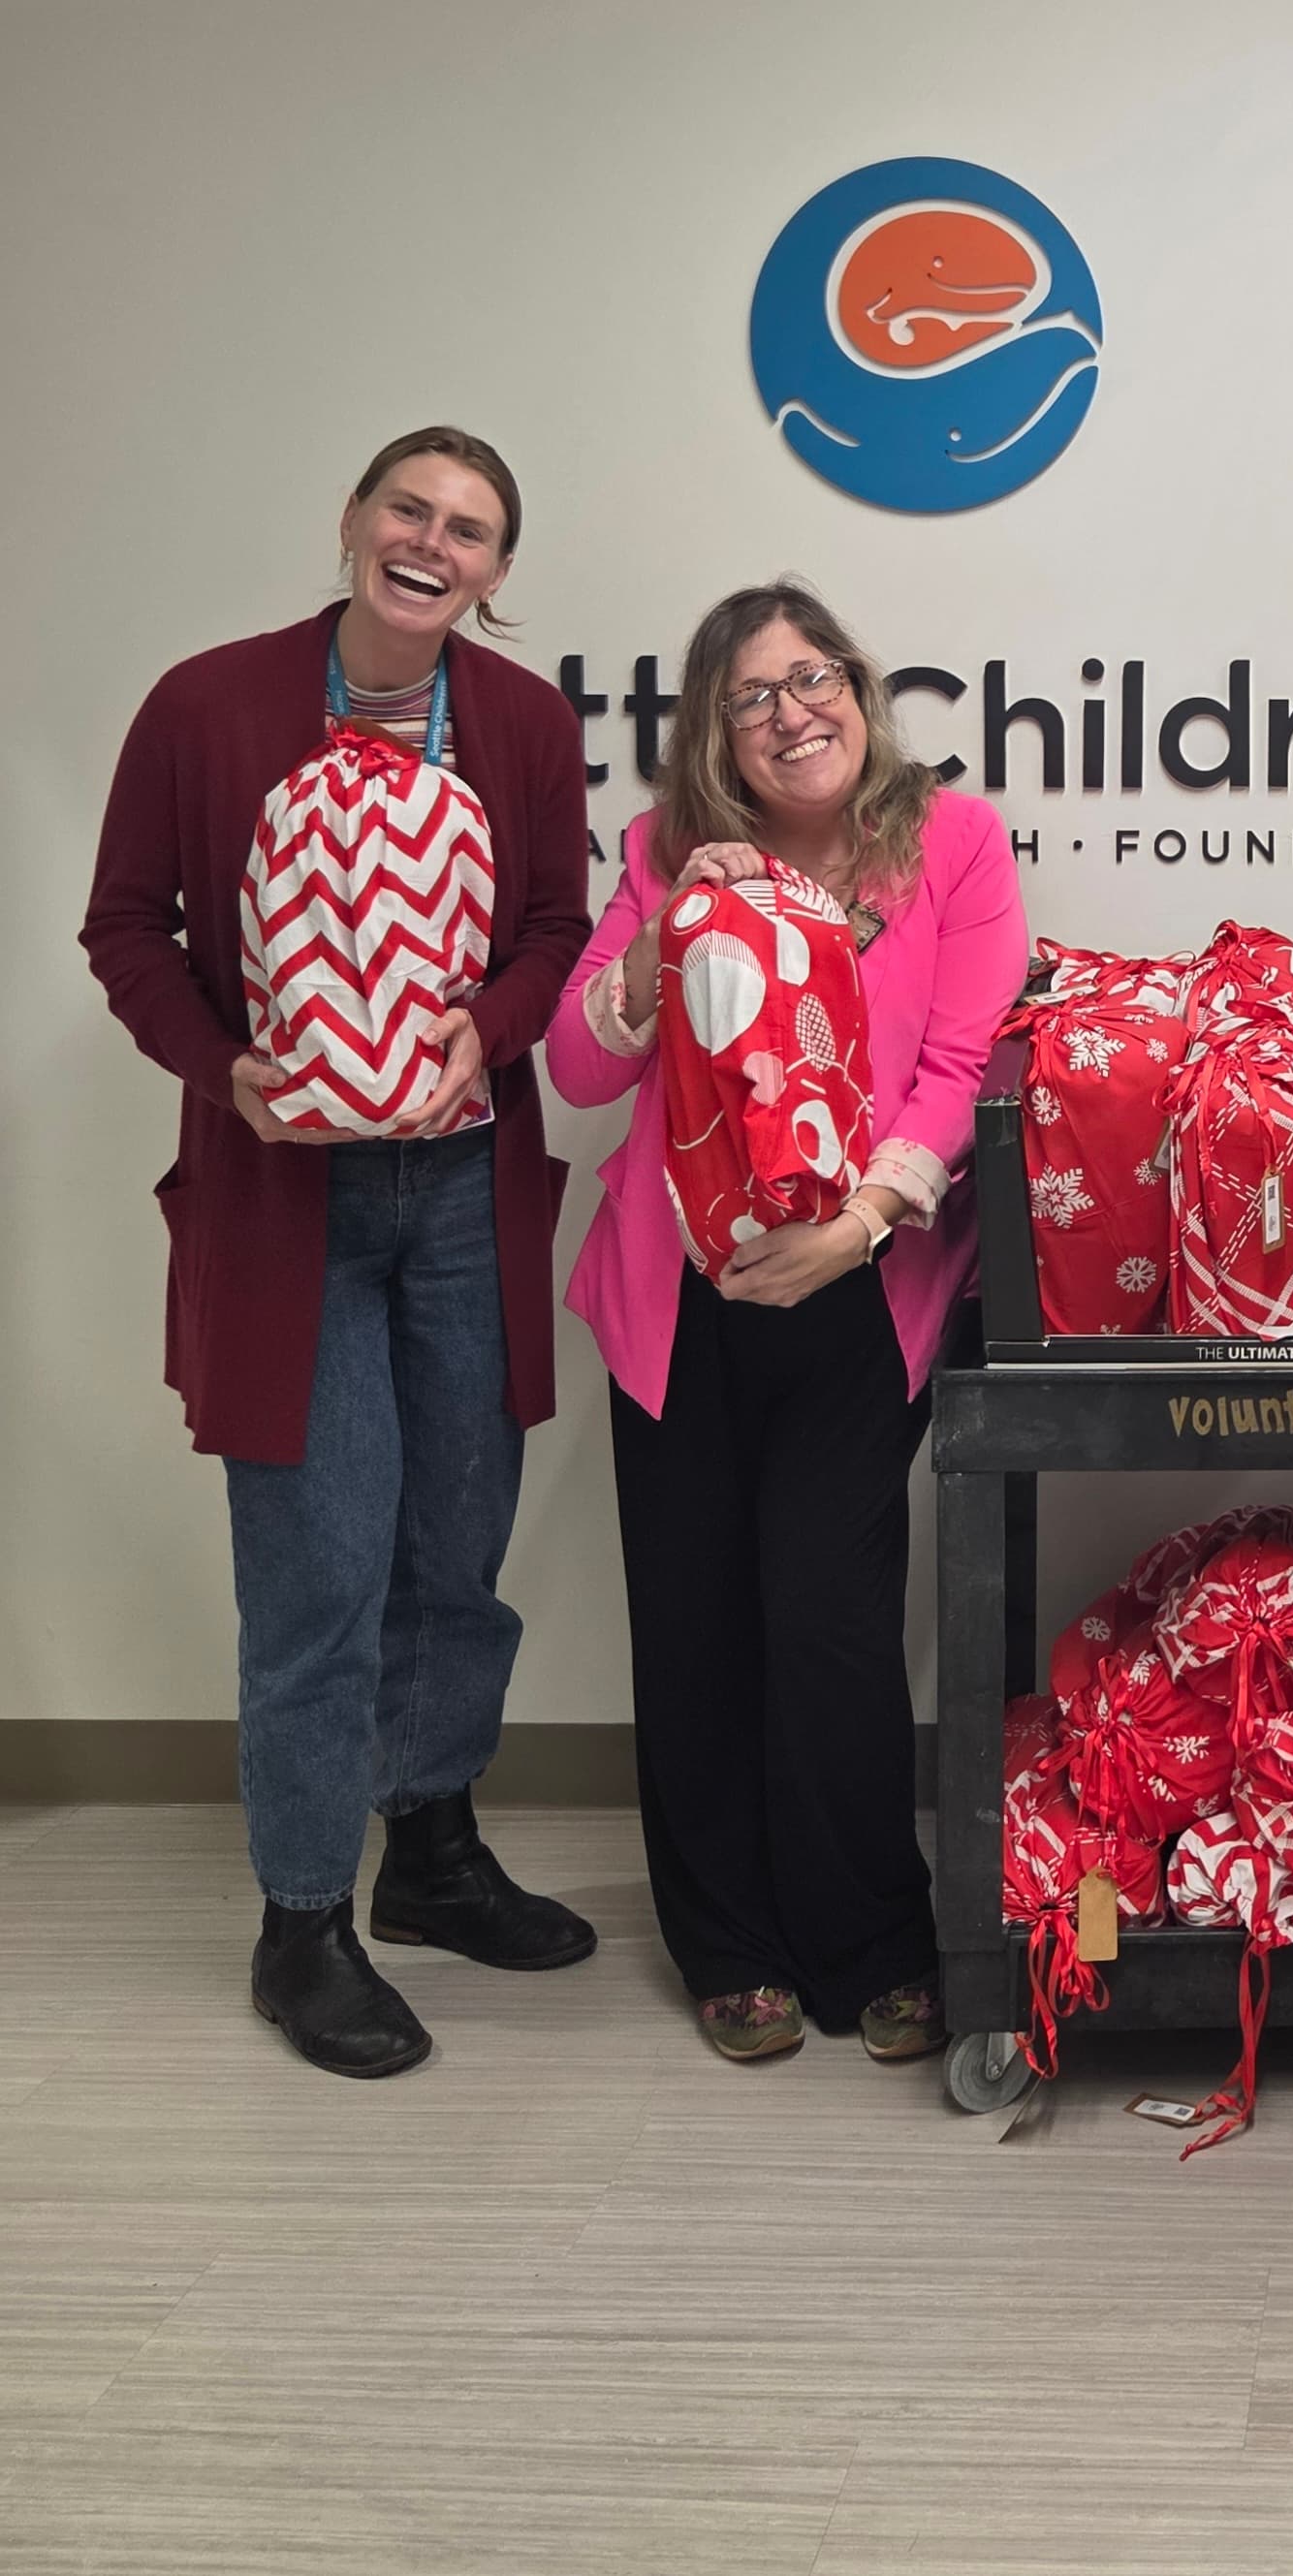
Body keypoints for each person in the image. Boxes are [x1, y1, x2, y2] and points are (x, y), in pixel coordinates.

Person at [79, 426, 597, 2079]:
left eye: (471, 528)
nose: (432, 542)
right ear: (357, 523)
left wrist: (486, 1035)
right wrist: (228, 1074)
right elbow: (126, 926)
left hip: (457, 1195)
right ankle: (303, 1917)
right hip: (285, 1199)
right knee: (315, 1568)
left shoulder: (519, 721)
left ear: (498, 575)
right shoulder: (209, 703)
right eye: (409, 509)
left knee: (454, 1550)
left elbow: (553, 937)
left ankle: (431, 1850)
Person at [547, 581, 1028, 2066]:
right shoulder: (661, 852)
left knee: (827, 1620)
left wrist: (863, 1222)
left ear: (859, 691)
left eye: (810, 677)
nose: (790, 712)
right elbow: (577, 1063)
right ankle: (730, 1944)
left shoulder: (951, 842)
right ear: (713, 734)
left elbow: (965, 1063)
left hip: (855, 1280)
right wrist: (662, 935)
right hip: (677, 1298)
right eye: (751, 696)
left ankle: (869, 1939)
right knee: (694, 1624)